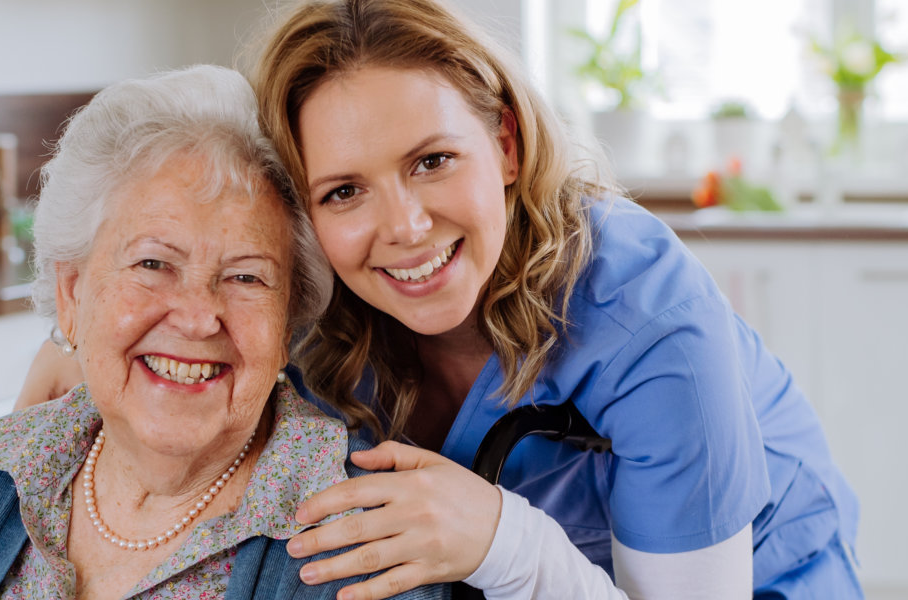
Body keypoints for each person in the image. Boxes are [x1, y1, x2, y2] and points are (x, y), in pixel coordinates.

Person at [243, 1, 862, 599]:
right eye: (345, 191)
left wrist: (503, 543)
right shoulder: (303, 325)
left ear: (505, 146)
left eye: (433, 161)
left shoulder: (646, 318)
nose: (405, 227)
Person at [0, 65, 446, 600]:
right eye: (152, 264)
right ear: (72, 295)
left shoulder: (368, 545)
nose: (197, 317)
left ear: (288, 323)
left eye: (245, 277)